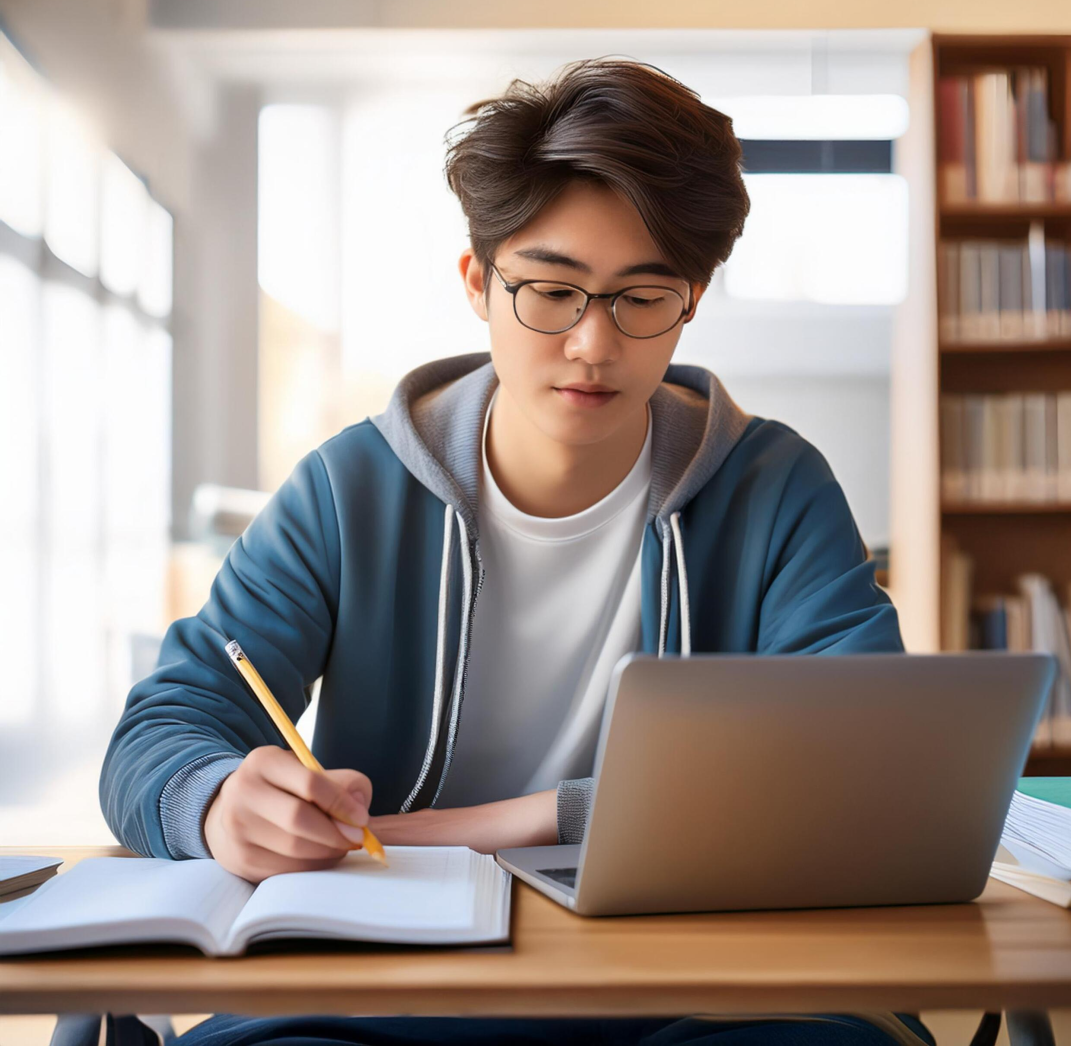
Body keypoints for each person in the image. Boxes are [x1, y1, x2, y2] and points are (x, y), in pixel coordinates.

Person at [95, 57, 932, 1046]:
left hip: (701, 978)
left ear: (692, 302)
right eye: (551, 292)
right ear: (478, 283)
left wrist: (515, 820)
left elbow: (860, 771)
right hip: (383, 990)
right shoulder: (348, 489)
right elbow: (168, 722)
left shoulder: (773, 488)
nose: (592, 344)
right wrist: (213, 801)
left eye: (641, 297)